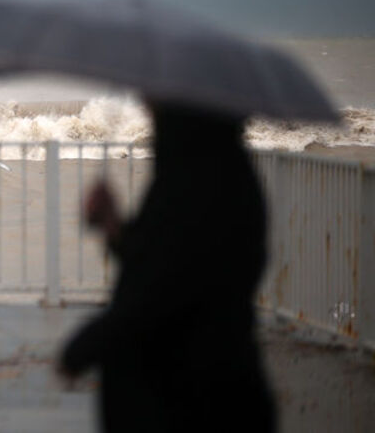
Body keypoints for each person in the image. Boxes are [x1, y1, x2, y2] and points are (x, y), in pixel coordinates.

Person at [58, 103, 276, 432]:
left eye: (159, 106)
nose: (149, 111)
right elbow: (160, 257)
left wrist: (87, 346)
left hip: (192, 398)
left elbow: (163, 291)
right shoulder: (212, 174)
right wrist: (113, 225)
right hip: (206, 387)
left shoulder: (199, 183)